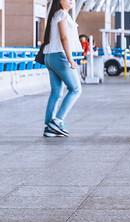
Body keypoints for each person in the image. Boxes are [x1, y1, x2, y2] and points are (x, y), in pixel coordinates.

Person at [42, 0, 83, 137]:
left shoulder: (55, 14)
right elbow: (64, 37)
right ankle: (58, 121)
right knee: (76, 89)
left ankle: (49, 126)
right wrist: (70, 58)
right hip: (59, 56)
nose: (71, 1)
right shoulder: (61, 14)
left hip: (49, 56)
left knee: (56, 92)